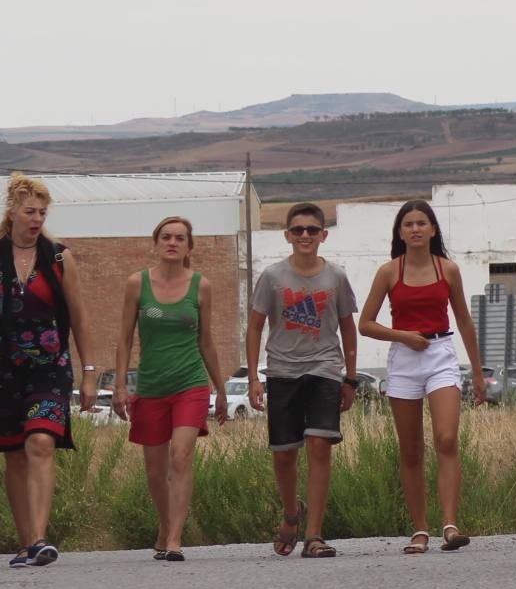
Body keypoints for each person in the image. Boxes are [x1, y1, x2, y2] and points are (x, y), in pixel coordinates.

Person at [0, 173, 95, 568]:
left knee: (40, 442)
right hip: (2, 367)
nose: (37, 218)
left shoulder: (59, 258)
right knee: (14, 455)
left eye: (42, 212)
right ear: (12, 212)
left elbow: (79, 317)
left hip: (50, 367)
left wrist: (89, 371)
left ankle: (40, 538)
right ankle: (26, 542)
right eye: (29, 211)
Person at [358, 199, 484, 554]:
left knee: (446, 438)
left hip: (441, 355)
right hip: (404, 358)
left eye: (421, 223)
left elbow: (464, 320)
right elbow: (364, 324)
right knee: (411, 449)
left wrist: (476, 371)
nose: (415, 229)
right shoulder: (389, 272)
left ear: (432, 229)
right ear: (400, 232)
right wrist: (402, 336)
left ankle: (450, 525)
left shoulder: (449, 269)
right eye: (408, 224)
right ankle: (419, 530)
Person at [246, 203, 359, 558]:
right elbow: (254, 327)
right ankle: (292, 514)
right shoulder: (272, 277)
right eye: (298, 230)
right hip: (282, 371)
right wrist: (253, 377)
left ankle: (314, 536)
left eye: (312, 230)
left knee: (319, 445)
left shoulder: (336, 277)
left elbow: (348, 327)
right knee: (284, 454)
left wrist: (351, 378)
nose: (305, 236)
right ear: (288, 236)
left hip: (324, 368)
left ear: (323, 235)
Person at [113, 216, 228, 562]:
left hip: (190, 383)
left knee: (181, 456)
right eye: (166, 237)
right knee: (154, 469)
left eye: (180, 238)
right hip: (150, 385)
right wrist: (120, 385)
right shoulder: (137, 284)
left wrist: (220, 389)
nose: (173, 242)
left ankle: (175, 538)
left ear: (189, 247)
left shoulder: (201, 286)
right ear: (156, 243)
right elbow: (124, 338)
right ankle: (164, 525)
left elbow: (206, 341)